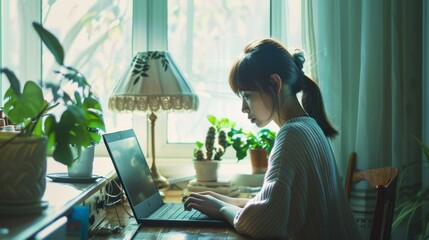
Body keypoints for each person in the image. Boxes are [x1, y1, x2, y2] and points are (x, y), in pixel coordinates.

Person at [184, 38, 361, 239]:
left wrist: (222, 210)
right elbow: (280, 205)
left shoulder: (291, 135)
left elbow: (263, 225)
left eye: (248, 95)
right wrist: (227, 202)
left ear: (275, 83)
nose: (243, 107)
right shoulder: (310, 126)